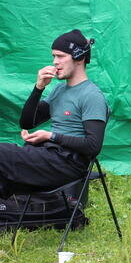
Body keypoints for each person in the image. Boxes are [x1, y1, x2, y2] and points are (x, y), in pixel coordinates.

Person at [0, 30, 109, 199]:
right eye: (53, 56)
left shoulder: (91, 95)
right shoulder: (60, 90)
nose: (54, 62)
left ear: (79, 58)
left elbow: (93, 145)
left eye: (60, 56)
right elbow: (27, 123)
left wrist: (50, 136)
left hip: (68, 164)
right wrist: (39, 88)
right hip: (49, 156)